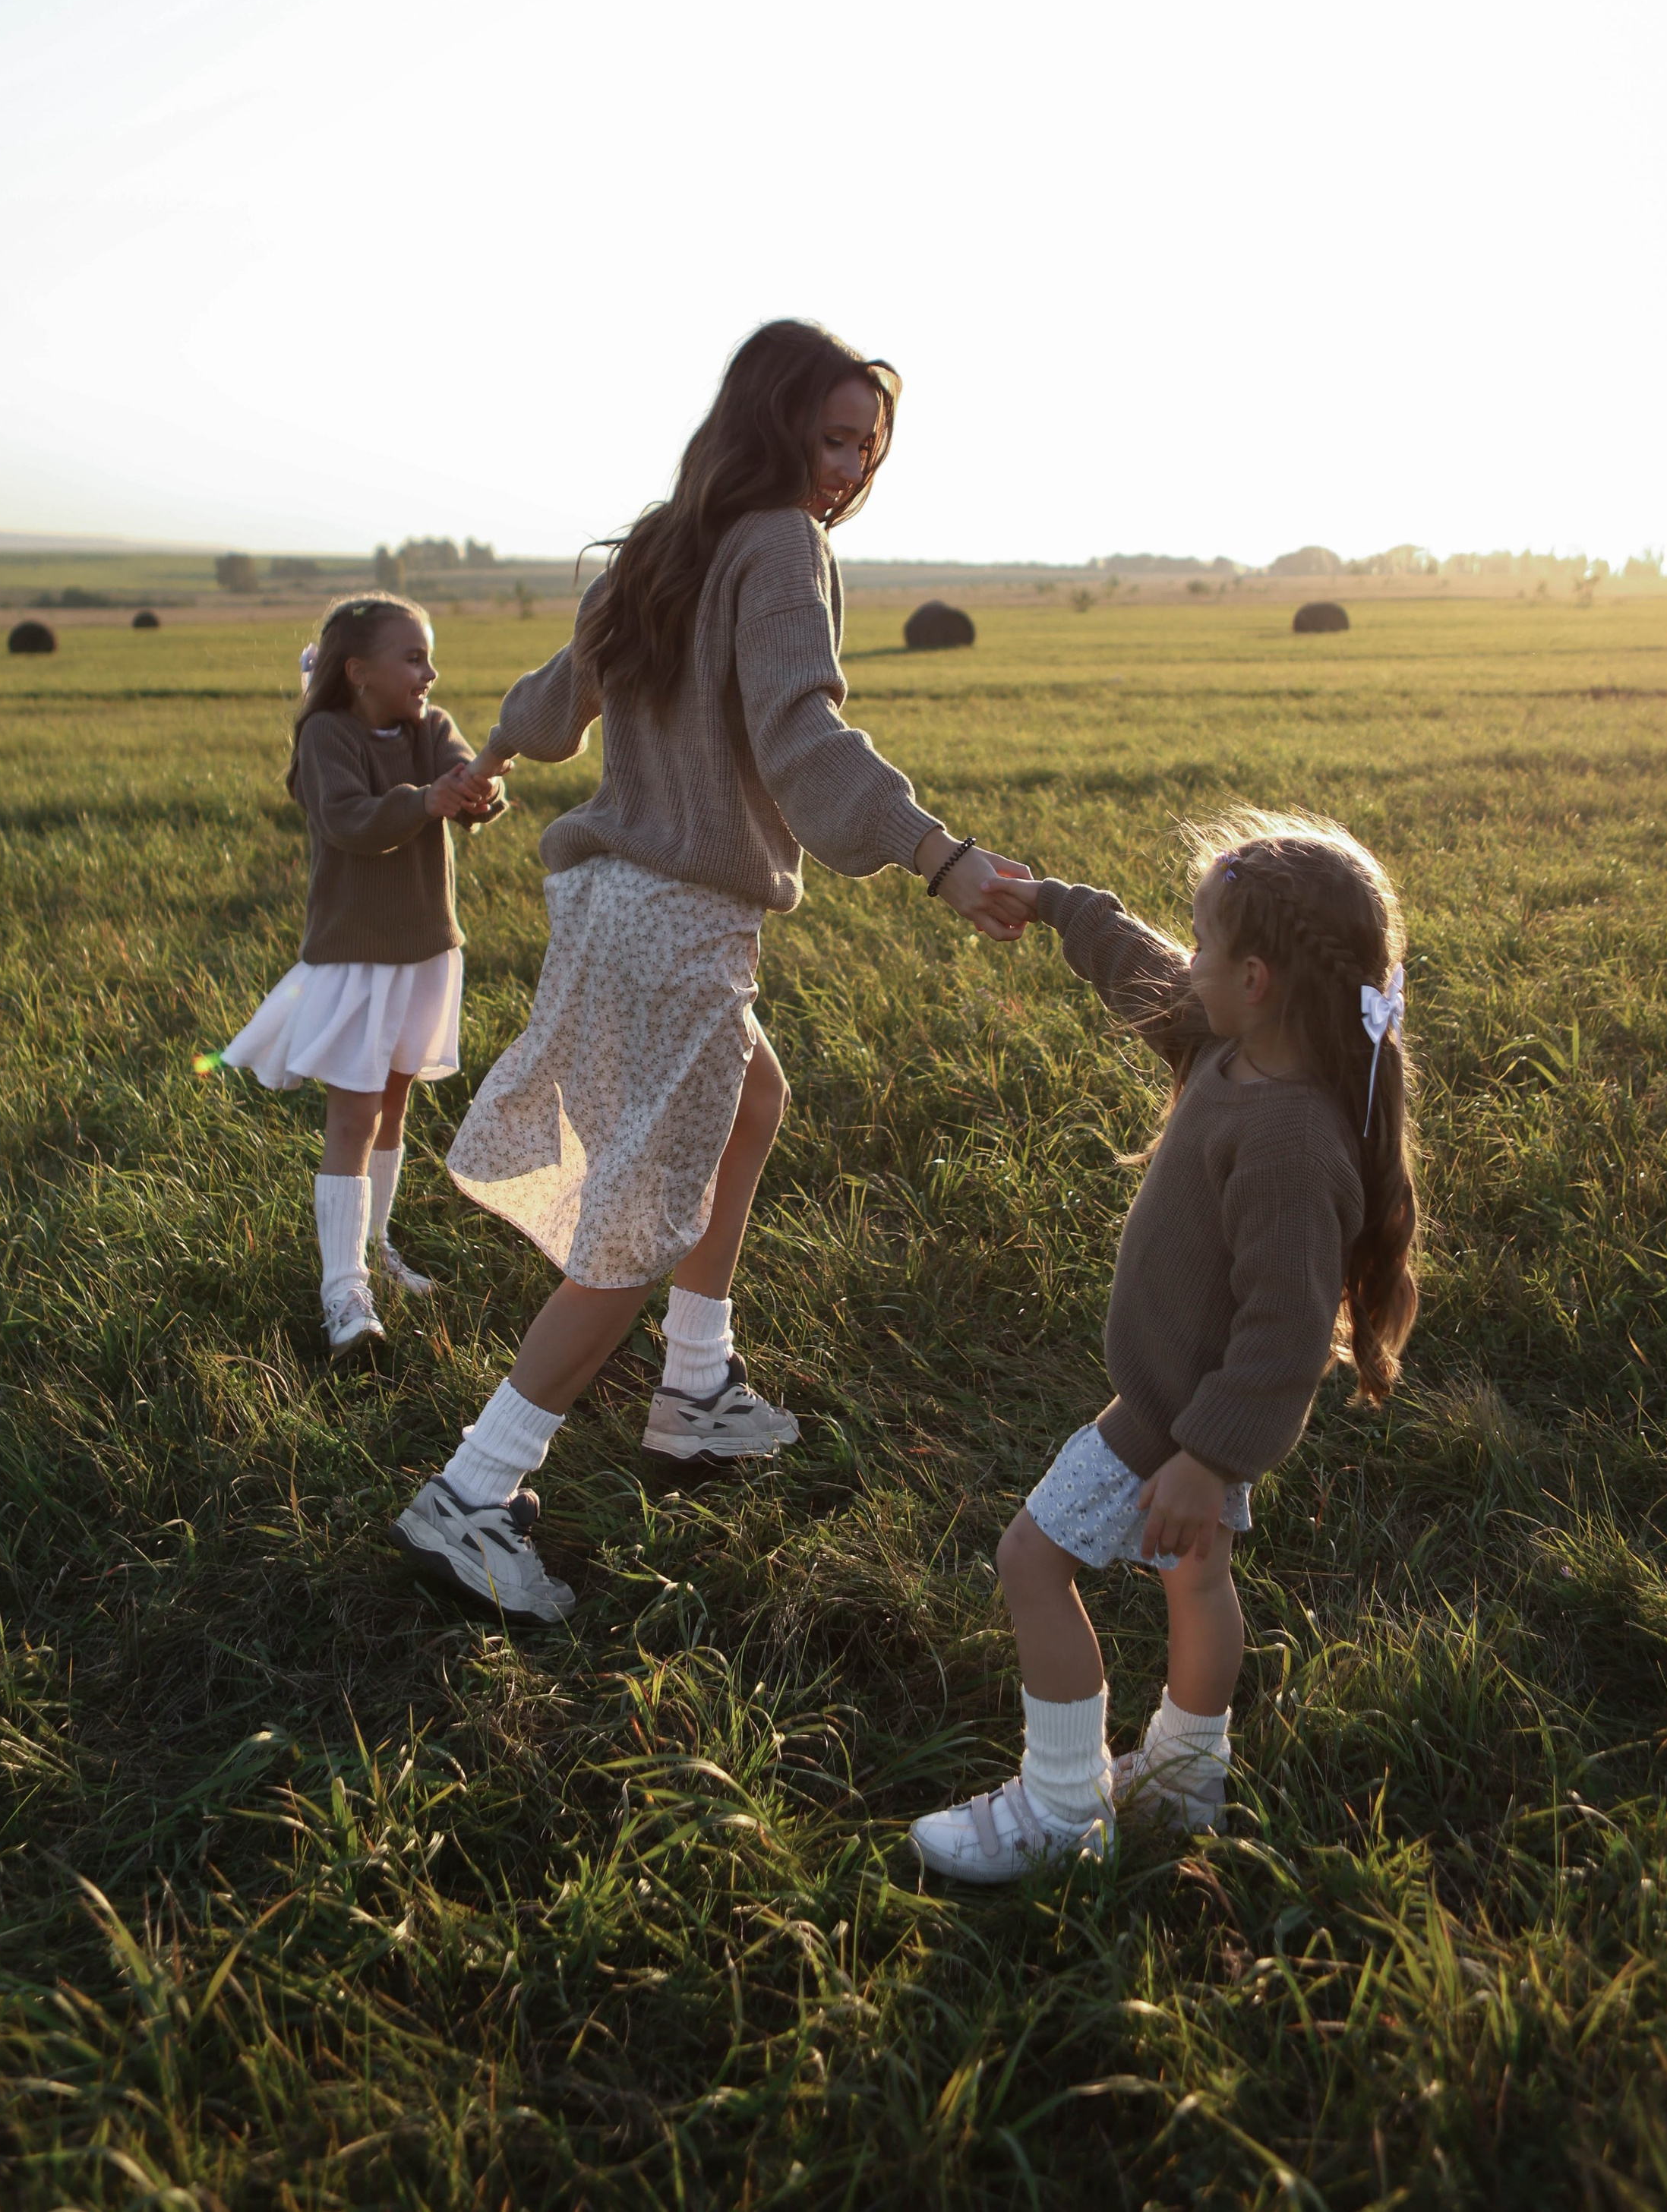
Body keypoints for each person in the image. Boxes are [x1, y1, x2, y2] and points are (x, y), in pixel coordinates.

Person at [388, 319, 1029, 1621]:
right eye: (836, 436)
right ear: (773, 422)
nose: (850, 467)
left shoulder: (663, 546)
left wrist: (499, 755)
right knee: (637, 1222)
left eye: (871, 445)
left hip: (615, 901)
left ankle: (694, 1391)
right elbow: (803, 737)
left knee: (752, 1103)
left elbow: (558, 699)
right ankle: (475, 1487)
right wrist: (939, 856)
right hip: (678, 921)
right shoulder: (780, 546)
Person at [909, 813, 1420, 1882]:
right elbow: (1135, 962)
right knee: (1198, 1580)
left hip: (1170, 1425)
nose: (1183, 960)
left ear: (1259, 976)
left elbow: (1285, 1337)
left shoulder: (1290, 1140)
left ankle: (1060, 1811)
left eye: (1204, 944)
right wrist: (1054, 904)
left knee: (1031, 1562)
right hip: (1186, 1420)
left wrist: (1206, 1456)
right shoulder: (1228, 1042)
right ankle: (1186, 1779)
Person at [220, 595, 505, 1365]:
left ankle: (376, 1250)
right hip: (356, 957)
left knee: (392, 1105)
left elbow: (461, 782)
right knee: (351, 1118)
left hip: (425, 951)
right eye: (413, 657)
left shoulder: (431, 726)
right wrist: (427, 799)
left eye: (429, 656)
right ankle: (343, 1292)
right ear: (359, 671)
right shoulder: (326, 736)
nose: (429, 671)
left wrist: (479, 794)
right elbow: (349, 821)